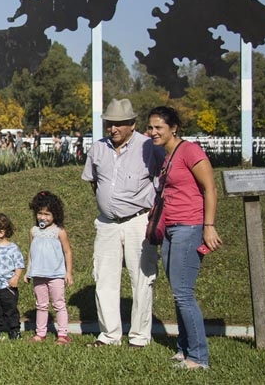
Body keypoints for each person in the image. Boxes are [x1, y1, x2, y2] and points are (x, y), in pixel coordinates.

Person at [82, 98, 164, 349]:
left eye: (119, 124)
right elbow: (93, 181)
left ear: (132, 124)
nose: (113, 129)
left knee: (141, 278)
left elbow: (161, 181)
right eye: (109, 124)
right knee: (104, 278)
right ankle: (109, 335)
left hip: (138, 221)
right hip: (107, 223)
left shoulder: (149, 147)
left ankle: (139, 336)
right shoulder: (97, 148)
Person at [147, 106, 221, 370]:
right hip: (170, 228)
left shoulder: (190, 151)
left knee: (183, 293)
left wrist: (208, 225)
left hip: (189, 227)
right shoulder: (168, 156)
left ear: (174, 128)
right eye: (151, 127)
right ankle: (184, 348)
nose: (153, 132)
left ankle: (199, 357)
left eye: (159, 128)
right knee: (178, 292)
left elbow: (209, 188)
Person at [24, 191, 74, 345]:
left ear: (55, 214)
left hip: (56, 275)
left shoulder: (59, 231)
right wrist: (28, 271)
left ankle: (63, 334)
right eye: (40, 213)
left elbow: (67, 251)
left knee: (59, 303)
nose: (43, 217)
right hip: (38, 274)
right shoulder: (34, 231)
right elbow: (31, 252)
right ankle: (40, 333)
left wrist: (68, 272)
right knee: (41, 304)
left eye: (47, 214)